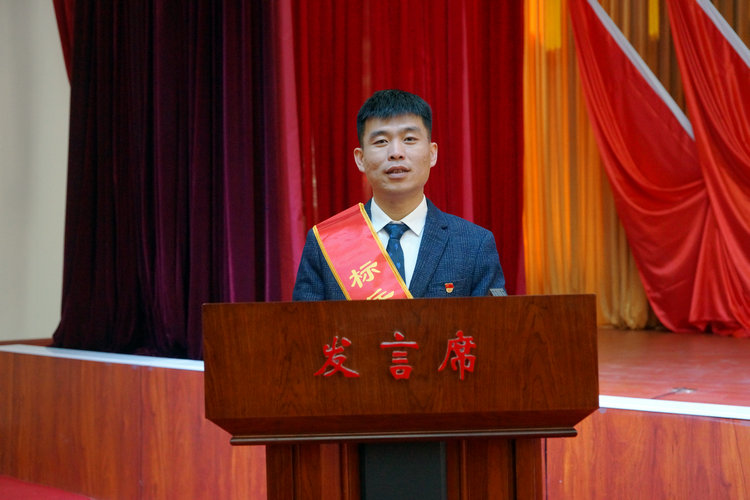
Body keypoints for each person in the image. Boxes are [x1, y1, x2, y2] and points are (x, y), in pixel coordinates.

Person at [292, 89, 505, 300]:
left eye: (409, 139)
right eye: (381, 141)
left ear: (432, 153)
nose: (396, 152)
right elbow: (306, 322)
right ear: (360, 158)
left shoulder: (474, 244)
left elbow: (491, 322)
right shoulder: (326, 244)